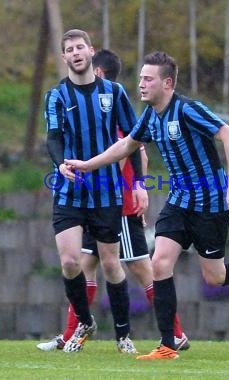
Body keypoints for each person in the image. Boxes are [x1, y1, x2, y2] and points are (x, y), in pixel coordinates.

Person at [64, 51, 229, 360]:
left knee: (215, 277)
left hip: (209, 202)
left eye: (147, 79)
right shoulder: (151, 116)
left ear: (167, 83)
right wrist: (88, 165)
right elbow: (126, 146)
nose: (140, 84)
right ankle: (168, 344)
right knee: (160, 263)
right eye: (140, 78)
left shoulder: (189, 110)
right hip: (179, 201)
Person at [37, 49, 189, 352]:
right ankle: (73, 333)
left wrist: (137, 188)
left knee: (139, 267)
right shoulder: (86, 109)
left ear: (100, 74)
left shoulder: (111, 114)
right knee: (86, 264)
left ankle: (174, 333)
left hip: (116, 205)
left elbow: (136, 152)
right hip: (89, 203)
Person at [44, 29, 147, 354]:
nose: (75, 53)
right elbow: (54, 137)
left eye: (79, 47)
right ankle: (86, 322)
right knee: (70, 261)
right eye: (69, 49)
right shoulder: (57, 96)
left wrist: (140, 184)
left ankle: (123, 334)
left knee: (111, 264)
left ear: (90, 51)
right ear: (64, 58)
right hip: (69, 189)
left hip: (106, 191)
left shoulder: (114, 93)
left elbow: (133, 140)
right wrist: (60, 163)